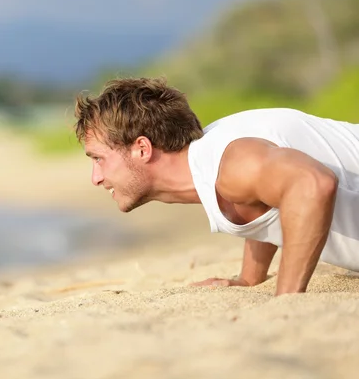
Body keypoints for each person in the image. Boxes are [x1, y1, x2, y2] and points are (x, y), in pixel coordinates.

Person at [74, 77, 359, 296]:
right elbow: (267, 197)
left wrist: (287, 299)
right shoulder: (218, 160)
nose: (95, 178)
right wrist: (249, 279)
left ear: (142, 148)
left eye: (99, 159)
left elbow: (312, 184)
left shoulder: (232, 161)